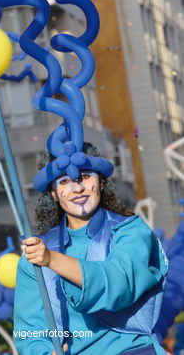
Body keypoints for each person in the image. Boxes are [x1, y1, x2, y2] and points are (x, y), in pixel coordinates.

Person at [14, 143, 168, 355]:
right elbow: (28, 331)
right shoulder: (35, 256)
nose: (77, 188)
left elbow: (118, 284)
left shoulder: (132, 232)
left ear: (101, 183)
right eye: (65, 181)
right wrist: (42, 352)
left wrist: (51, 260)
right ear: (53, 194)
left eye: (85, 176)